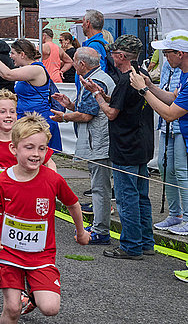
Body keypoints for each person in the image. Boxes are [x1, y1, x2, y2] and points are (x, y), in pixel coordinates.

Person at [0, 115, 89, 322]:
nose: (36, 154)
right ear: (13, 149)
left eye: (42, 148)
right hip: (7, 252)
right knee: (12, 307)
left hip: (41, 255)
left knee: (50, 308)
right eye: (29, 147)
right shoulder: (2, 182)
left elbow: (73, 204)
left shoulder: (53, 179)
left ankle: (33, 292)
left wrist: (80, 232)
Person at [80, 35, 155, 260]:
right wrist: (103, 94)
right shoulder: (141, 75)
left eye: (113, 53)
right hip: (142, 144)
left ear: (121, 56)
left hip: (126, 145)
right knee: (141, 195)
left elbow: (112, 113)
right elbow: (122, 101)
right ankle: (145, 242)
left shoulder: (124, 79)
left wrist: (96, 96)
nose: (111, 57)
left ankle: (131, 245)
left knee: (127, 197)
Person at [124, 29, 188, 238]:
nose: (164, 57)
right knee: (167, 169)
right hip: (177, 131)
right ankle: (177, 214)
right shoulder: (184, 75)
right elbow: (171, 98)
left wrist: (143, 91)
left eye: (167, 52)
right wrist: (150, 86)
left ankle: (186, 217)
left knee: (182, 174)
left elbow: (170, 113)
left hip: (181, 131)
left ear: (180, 53)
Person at [49, 47, 115, 244]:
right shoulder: (98, 76)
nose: (71, 63)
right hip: (100, 140)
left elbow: (87, 115)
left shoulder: (94, 81)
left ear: (82, 64)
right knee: (99, 185)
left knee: (100, 187)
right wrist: (69, 104)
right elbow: (86, 108)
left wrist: (64, 117)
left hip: (99, 141)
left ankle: (101, 230)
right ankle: (99, 226)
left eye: (75, 60)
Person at [0, 38, 62, 152]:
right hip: (26, 120)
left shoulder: (36, 69)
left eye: (13, 53)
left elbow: (7, 74)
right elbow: (3, 74)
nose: (10, 56)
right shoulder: (26, 70)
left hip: (39, 121)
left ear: (22, 54)